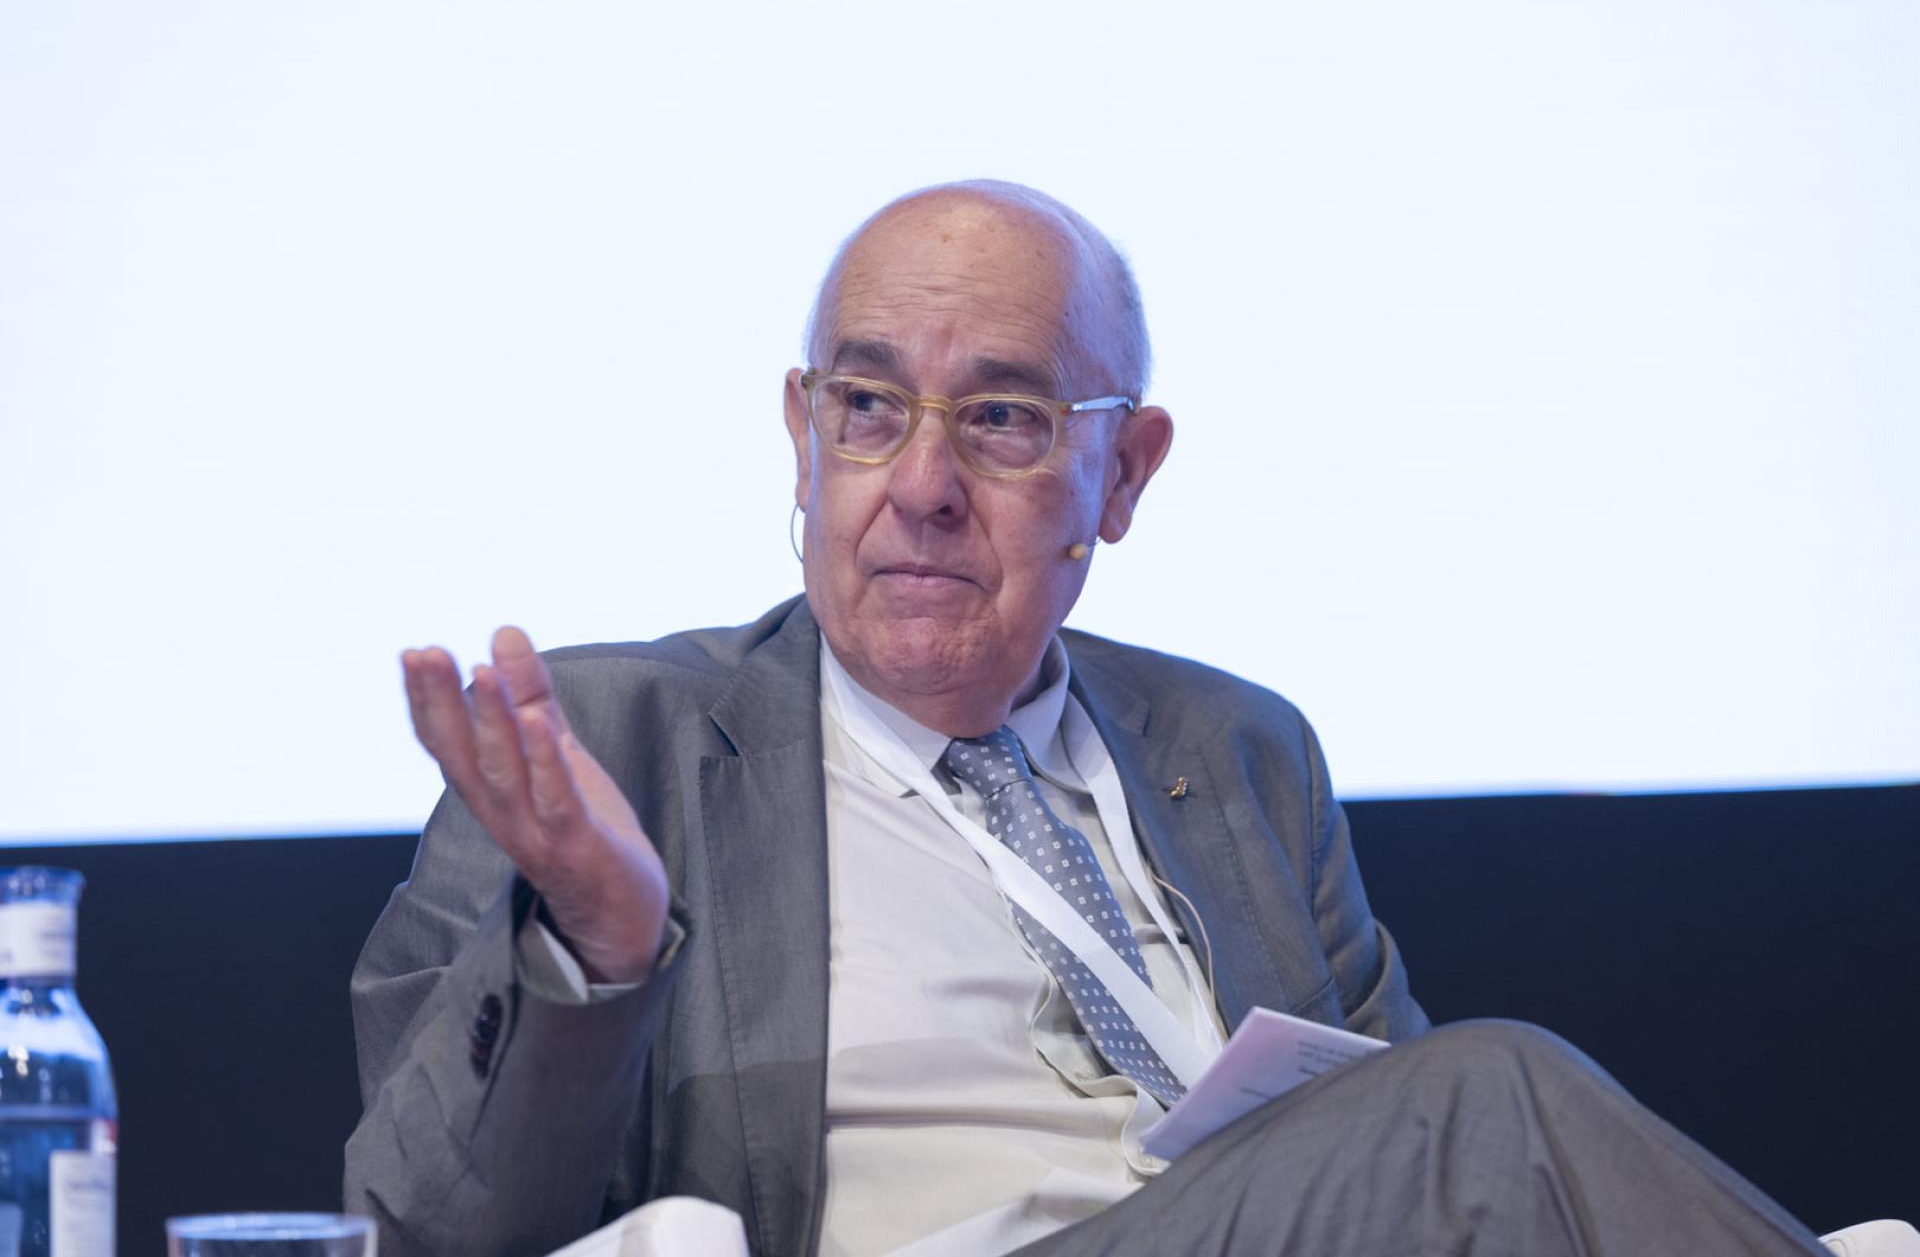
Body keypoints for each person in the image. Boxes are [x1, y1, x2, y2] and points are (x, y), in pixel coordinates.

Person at [345, 181, 1828, 1256]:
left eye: (1001, 418)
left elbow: (1408, 1174)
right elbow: (420, 1230)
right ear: (804, 438)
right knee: (1491, 1101)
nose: (921, 486)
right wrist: (596, 948)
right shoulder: (605, 746)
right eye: (869, 407)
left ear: (1124, 475)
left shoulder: (1238, 754)